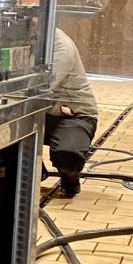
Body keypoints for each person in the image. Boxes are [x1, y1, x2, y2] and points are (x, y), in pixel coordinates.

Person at [46, 25, 98, 197]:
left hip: (73, 115)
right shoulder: (20, 39)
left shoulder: (61, 46)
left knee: (67, 153)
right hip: (41, 111)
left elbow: (44, 87)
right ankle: (32, 171)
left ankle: (70, 177)